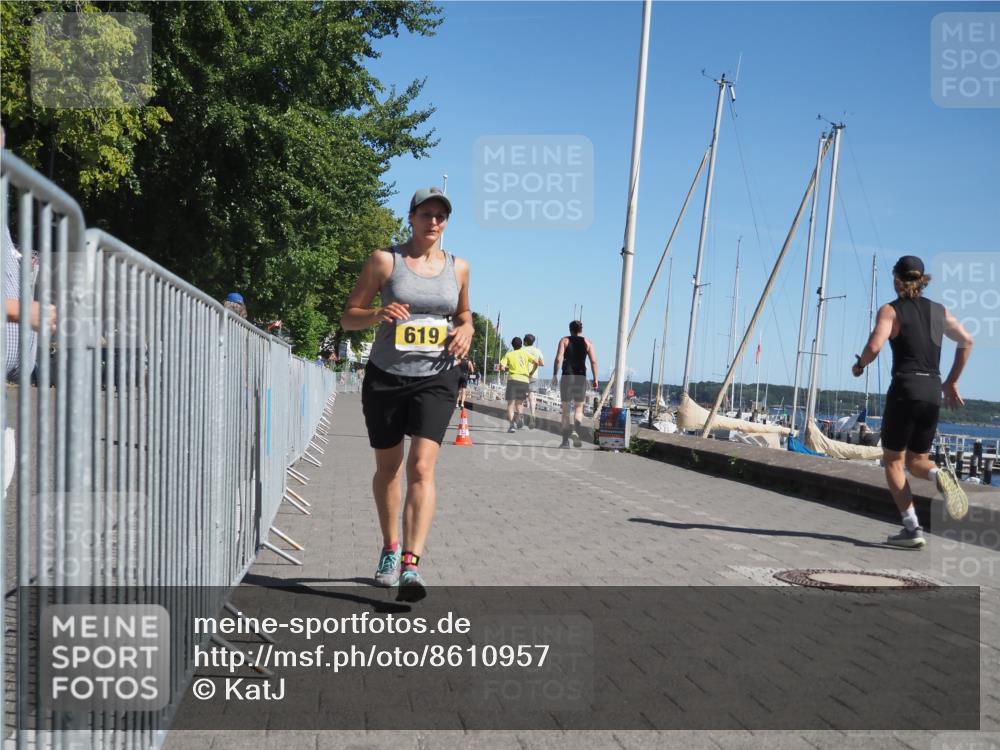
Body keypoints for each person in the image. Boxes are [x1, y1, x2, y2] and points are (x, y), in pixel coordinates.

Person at [340, 187, 472, 602]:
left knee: (422, 466)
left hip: (436, 377)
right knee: (390, 469)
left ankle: (412, 566)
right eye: (427, 214)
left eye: (441, 216)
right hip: (386, 375)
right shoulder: (386, 261)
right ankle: (390, 547)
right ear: (411, 218)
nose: (434, 222)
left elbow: (464, 314)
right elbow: (348, 318)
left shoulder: (460, 267)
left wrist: (467, 328)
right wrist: (379, 313)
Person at [852, 255, 973, 548]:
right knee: (918, 460)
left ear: (896, 278)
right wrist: (952, 381)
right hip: (932, 389)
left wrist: (860, 366)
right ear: (922, 279)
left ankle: (912, 528)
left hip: (905, 387)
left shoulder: (891, 311)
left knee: (893, 460)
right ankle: (938, 474)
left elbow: (874, 346)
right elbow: (967, 340)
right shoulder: (939, 311)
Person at [553, 320, 598, 448]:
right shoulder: (588, 342)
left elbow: (558, 359)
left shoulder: (564, 341)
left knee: (566, 411)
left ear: (570, 329)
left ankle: (565, 441)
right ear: (581, 330)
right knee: (579, 409)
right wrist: (595, 378)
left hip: (567, 376)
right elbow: (594, 361)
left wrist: (555, 374)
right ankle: (575, 431)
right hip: (580, 377)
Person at [498, 337, 538, 433]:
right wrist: (531, 372)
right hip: (524, 380)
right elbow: (537, 362)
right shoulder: (525, 353)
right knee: (519, 403)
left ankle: (512, 425)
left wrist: (507, 369)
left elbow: (501, 367)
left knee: (510, 404)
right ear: (521, 345)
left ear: (512, 345)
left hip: (513, 380)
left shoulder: (509, 354)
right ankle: (520, 416)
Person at [522, 333, 545, 429]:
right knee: (532, 398)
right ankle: (532, 416)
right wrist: (534, 362)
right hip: (534, 376)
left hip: (523, 375)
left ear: (525, 341)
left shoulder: (522, 350)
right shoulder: (537, 350)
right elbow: (542, 363)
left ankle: (520, 417)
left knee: (520, 398)